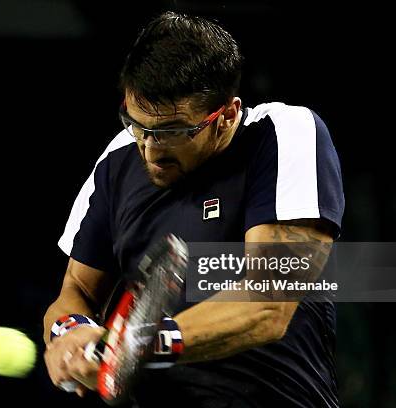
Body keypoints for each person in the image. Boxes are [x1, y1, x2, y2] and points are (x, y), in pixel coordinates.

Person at [43, 11, 344, 408]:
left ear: (228, 115)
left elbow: (269, 303)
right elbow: (76, 291)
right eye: (137, 125)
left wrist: (142, 343)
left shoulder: (283, 133)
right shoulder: (117, 161)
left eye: (173, 132)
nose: (151, 149)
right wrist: (72, 334)